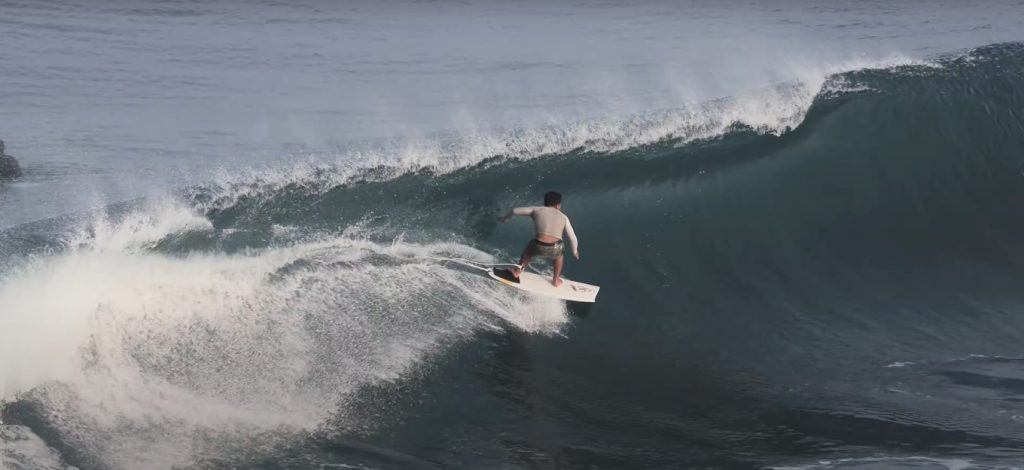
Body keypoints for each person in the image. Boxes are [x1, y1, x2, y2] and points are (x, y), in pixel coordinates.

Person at [497, 191, 579, 287]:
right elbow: (573, 237)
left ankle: (517, 272)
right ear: (558, 205)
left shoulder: (536, 209)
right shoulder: (564, 217)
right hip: (555, 247)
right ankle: (555, 280)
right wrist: (574, 252)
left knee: (527, 252)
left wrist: (505, 219)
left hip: (537, 245)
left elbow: (515, 210)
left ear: (545, 203)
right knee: (559, 257)